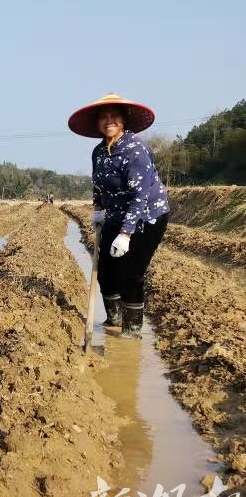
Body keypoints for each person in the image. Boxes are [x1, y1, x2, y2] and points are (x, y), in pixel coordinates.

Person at [68, 93, 170, 339]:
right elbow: (99, 184)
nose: (109, 121)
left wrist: (125, 234)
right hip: (114, 215)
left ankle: (131, 331)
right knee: (105, 270)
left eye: (114, 116)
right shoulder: (99, 152)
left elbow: (140, 195)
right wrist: (98, 209)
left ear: (124, 120)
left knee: (130, 273)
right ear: (97, 123)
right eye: (103, 117)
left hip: (146, 217)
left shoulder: (135, 149)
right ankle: (113, 318)